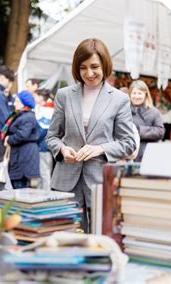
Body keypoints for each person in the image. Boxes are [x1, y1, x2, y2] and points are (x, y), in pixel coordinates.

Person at [46, 38, 136, 233]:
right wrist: (62, 149)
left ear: (104, 64)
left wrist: (100, 148)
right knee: (67, 238)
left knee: (100, 237)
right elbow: (51, 136)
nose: (89, 73)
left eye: (94, 66)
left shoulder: (119, 100)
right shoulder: (64, 95)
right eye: (83, 68)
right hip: (65, 181)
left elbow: (129, 142)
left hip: (100, 180)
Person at [3, 90, 40, 189]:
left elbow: (22, 135)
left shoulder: (28, 117)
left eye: (17, 101)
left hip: (24, 157)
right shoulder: (21, 115)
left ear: (24, 103)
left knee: (20, 189)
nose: (14, 103)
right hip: (20, 155)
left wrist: (9, 139)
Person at [129, 80, 165, 162]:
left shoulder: (154, 112)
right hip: (128, 154)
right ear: (130, 94)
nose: (136, 96)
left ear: (145, 94)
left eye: (139, 93)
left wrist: (138, 131)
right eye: (134, 93)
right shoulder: (124, 111)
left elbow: (160, 131)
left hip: (148, 154)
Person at [35, 89, 55, 190]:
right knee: (42, 173)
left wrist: (33, 139)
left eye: (36, 96)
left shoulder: (47, 111)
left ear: (41, 97)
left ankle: (46, 195)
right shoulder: (44, 109)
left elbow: (42, 130)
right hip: (42, 146)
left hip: (44, 146)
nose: (34, 98)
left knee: (45, 173)